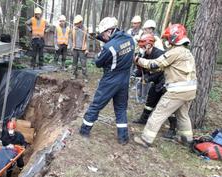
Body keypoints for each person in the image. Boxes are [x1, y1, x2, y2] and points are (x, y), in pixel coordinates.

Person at [134, 24, 197, 148]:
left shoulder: (175, 52)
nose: (167, 41)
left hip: (177, 91)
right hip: (190, 91)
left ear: (174, 38)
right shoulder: (187, 52)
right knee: (183, 115)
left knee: (158, 113)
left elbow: (154, 65)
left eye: (168, 38)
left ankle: (146, 139)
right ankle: (187, 139)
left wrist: (138, 60)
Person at [79, 17, 134, 145]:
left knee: (96, 105)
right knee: (120, 108)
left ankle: (84, 130)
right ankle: (123, 138)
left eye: (103, 34)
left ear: (109, 31)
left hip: (111, 79)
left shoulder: (110, 47)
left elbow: (98, 63)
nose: (103, 36)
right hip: (124, 79)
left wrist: (101, 51)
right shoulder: (130, 39)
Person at [132, 34, 177, 139]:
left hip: (166, 82)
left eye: (142, 46)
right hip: (156, 82)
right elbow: (143, 69)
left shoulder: (160, 54)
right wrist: (136, 74)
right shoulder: (146, 55)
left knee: (168, 106)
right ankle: (143, 119)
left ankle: (172, 129)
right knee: (150, 100)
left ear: (149, 45)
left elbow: (160, 71)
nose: (141, 48)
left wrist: (148, 79)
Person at [71, 15, 89, 82]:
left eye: (77, 23)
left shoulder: (85, 29)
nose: (76, 24)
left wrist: (87, 49)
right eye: (75, 23)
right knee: (74, 63)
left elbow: (87, 40)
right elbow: (71, 39)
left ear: (81, 22)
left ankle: (85, 76)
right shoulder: (73, 29)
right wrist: (71, 47)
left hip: (82, 49)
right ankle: (74, 74)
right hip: (75, 48)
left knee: (83, 63)